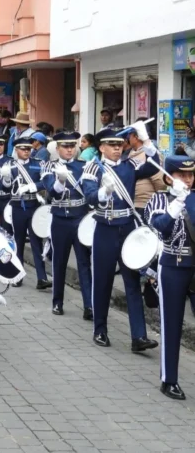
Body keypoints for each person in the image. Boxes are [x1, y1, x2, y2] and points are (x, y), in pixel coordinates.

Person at [80, 126, 160, 349]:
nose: (117, 148)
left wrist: (146, 140)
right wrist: (103, 192)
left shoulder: (129, 165)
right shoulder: (92, 168)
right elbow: (89, 197)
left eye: (119, 144)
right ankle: (100, 330)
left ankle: (138, 337)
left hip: (127, 227)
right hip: (105, 227)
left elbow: (154, 165)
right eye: (112, 145)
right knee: (103, 282)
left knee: (132, 282)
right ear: (102, 147)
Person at [145, 155, 194, 400]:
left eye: (191, 175)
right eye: (181, 175)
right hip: (173, 265)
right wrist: (178, 203)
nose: (187, 179)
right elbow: (160, 228)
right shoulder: (158, 200)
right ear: (168, 177)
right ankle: (169, 380)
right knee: (171, 324)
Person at [42, 132, 93, 318]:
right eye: (65, 146)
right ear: (57, 148)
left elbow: (90, 190)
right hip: (60, 219)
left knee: (84, 263)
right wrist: (60, 181)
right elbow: (51, 191)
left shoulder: (84, 166)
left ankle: (89, 306)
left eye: (72, 146)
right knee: (59, 262)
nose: (70, 149)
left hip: (80, 217)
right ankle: (57, 302)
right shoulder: (49, 166)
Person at [0, 136, 52, 289]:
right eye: (23, 149)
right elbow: (5, 188)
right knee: (19, 241)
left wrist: (32, 187)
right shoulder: (9, 165)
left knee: (36, 242)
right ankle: (18, 276)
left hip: (34, 205)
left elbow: (46, 181)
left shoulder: (38, 163)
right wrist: (6, 179)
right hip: (17, 206)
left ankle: (42, 278)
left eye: (29, 149)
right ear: (16, 150)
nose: (26, 151)